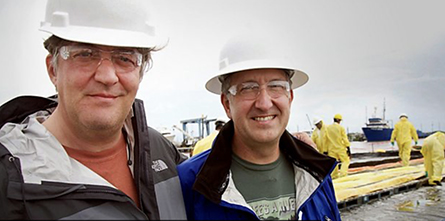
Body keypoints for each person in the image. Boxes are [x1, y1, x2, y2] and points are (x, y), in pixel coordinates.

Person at [0, 0, 187, 219]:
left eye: (125, 58)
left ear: (140, 74)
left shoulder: (160, 150)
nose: (107, 77)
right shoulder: (9, 178)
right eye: (85, 54)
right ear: (53, 69)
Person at [177, 34, 341, 220]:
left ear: (290, 97)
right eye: (248, 88)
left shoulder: (318, 175)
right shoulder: (188, 184)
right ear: (227, 104)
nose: (264, 103)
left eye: (276, 86)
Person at [327, 114, 351, 179]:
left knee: (334, 163)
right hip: (340, 148)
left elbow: (325, 139)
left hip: (331, 149)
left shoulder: (328, 128)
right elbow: (344, 139)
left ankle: (334, 177)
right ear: (338, 120)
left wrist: (325, 150)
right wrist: (348, 148)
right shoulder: (341, 128)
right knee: (345, 161)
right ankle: (343, 176)